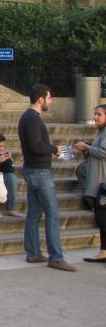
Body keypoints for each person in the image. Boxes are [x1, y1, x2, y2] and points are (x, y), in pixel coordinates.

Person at [18, 83, 76, 271]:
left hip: (32, 170)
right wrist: (55, 149)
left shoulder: (27, 117)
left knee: (34, 213)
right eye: (49, 97)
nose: (51, 101)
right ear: (41, 99)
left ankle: (33, 253)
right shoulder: (33, 119)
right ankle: (56, 257)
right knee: (52, 213)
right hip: (40, 172)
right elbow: (36, 145)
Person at [74, 104, 106, 262]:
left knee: (102, 216)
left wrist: (87, 147)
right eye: (95, 114)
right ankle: (103, 250)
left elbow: (103, 152)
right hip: (98, 182)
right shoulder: (101, 132)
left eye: (99, 114)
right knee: (101, 216)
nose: (95, 117)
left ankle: (104, 251)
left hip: (103, 185)